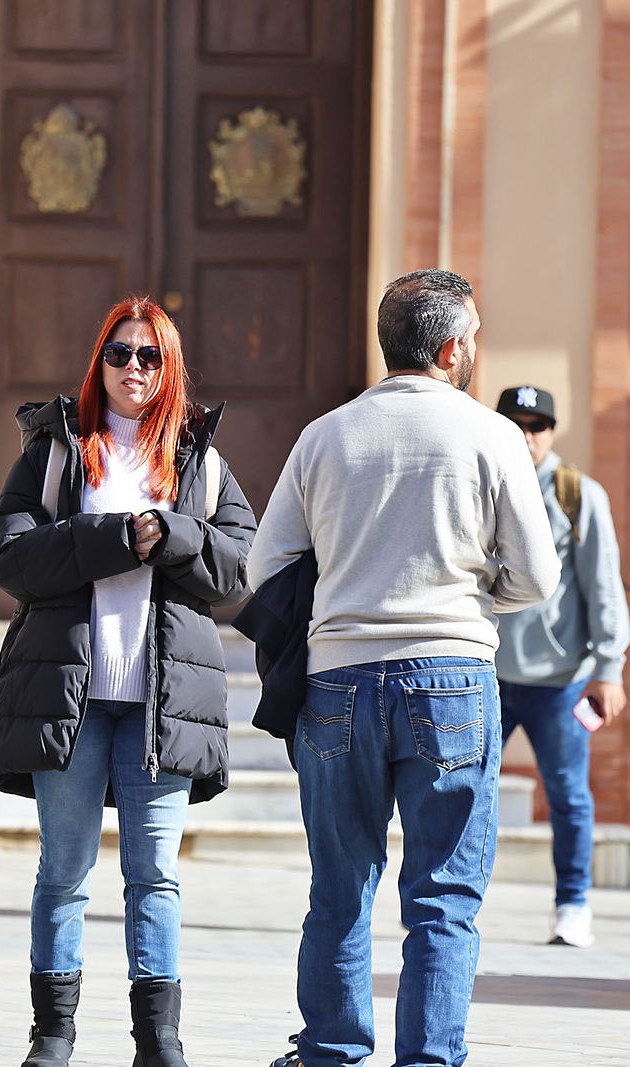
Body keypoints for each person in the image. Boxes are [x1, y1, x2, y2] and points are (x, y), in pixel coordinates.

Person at [251, 270, 560, 1067]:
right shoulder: (491, 436)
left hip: (337, 679)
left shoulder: (326, 434)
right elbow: (538, 576)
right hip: (453, 674)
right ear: (452, 349)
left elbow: (264, 566)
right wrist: (475, 590)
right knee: (444, 898)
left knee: (339, 888)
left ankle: (330, 1050)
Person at [0, 296, 256, 1067]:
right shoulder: (57, 448)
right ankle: (54, 1034)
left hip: (162, 704)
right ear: (98, 360)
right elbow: (8, 554)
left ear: (170, 368)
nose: (133, 368)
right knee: (63, 872)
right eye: (119, 353)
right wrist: (109, 539)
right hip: (69, 696)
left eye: (150, 356)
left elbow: (239, 563)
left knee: (155, 874)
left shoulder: (200, 459)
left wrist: (171, 535)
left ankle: (157, 1039)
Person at [493, 385, 630, 948]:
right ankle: (444, 901)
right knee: (457, 790)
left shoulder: (579, 494)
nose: (526, 435)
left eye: (538, 425)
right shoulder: (483, 481)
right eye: (516, 423)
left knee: (568, 794)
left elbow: (604, 585)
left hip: (561, 679)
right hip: (487, 673)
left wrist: (610, 666)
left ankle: (573, 903)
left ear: (552, 431)